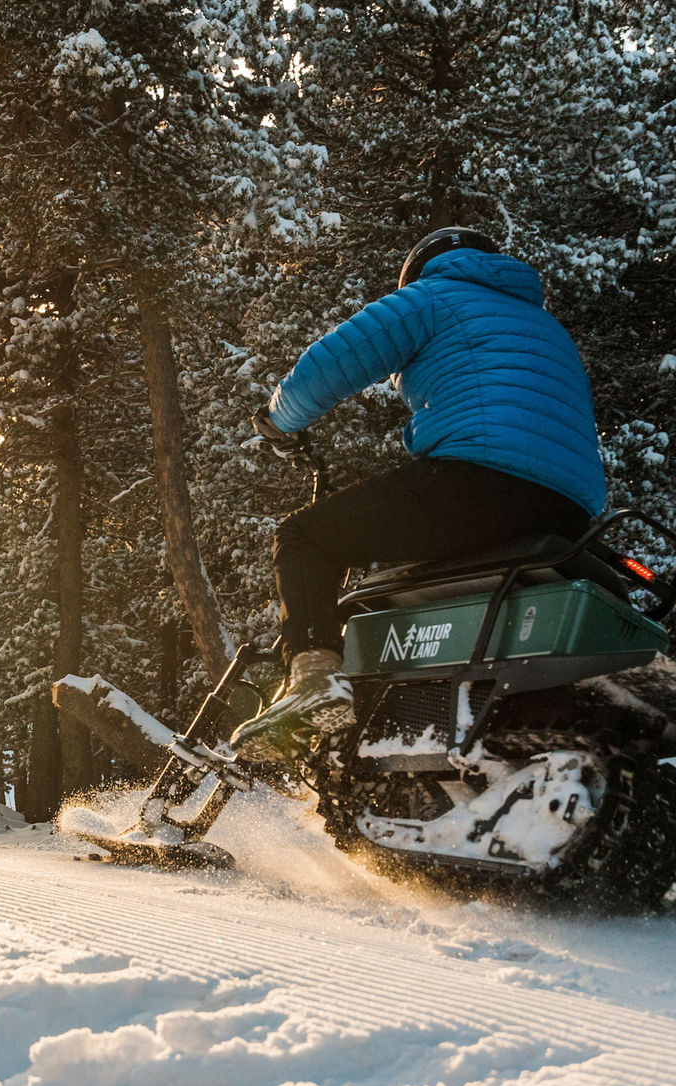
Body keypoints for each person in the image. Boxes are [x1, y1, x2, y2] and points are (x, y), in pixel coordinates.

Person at [228, 227, 607, 765]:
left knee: (306, 536)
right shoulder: (547, 328)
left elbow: (337, 360)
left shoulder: (434, 296)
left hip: (482, 481)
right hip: (572, 512)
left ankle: (315, 676)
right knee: (410, 586)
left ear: (422, 269)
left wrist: (280, 420)